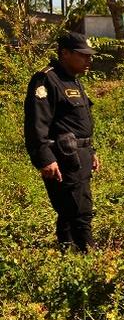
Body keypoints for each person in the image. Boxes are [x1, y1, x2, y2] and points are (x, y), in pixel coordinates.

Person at [24, 31, 100, 253]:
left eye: (90, 56)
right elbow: (36, 125)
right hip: (64, 157)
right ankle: (88, 255)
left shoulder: (73, 80)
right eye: (83, 55)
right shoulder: (47, 79)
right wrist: (45, 159)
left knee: (69, 207)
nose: (89, 60)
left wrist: (91, 150)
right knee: (80, 209)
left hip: (81, 154)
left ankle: (66, 250)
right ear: (64, 53)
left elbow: (78, 123)